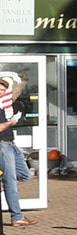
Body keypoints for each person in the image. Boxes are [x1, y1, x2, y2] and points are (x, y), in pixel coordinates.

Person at [0, 72, 34, 226]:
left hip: (11, 144)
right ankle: (17, 217)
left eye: (3, 90)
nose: (2, 92)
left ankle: (6, 181)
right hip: (2, 145)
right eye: (0, 89)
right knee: (11, 181)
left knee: (25, 174)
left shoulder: (2, 105)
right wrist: (11, 122)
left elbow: (16, 91)